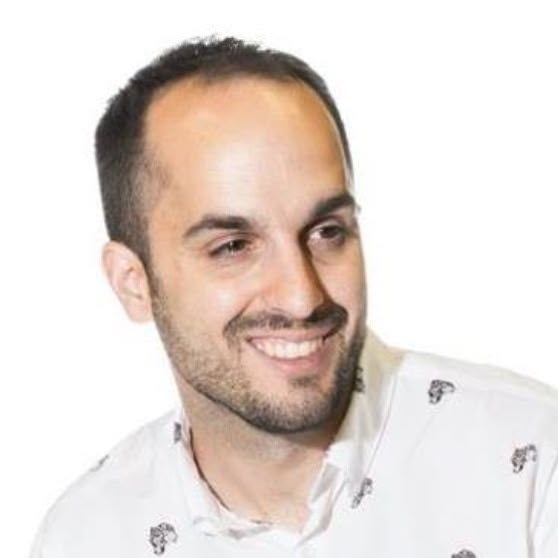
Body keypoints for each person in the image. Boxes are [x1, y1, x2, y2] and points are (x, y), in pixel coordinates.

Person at [30, 36, 558, 558]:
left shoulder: (532, 468)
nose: (302, 296)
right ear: (133, 283)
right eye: (233, 246)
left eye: (326, 231)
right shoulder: (85, 538)